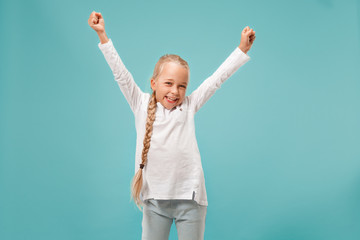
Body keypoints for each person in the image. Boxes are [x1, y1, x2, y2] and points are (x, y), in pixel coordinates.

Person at [88, 10, 256, 240]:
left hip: (191, 199)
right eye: (168, 83)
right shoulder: (140, 103)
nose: (175, 91)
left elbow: (216, 80)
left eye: (182, 86)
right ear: (154, 83)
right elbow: (121, 74)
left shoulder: (189, 106)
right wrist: (102, 36)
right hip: (155, 200)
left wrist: (241, 50)